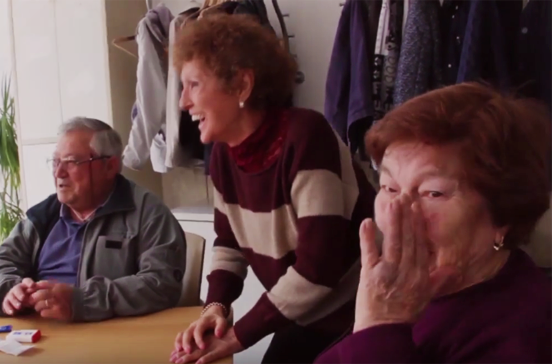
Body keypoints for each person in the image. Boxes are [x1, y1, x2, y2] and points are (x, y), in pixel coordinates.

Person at [169, 14, 376, 364]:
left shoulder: (305, 136)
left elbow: (317, 269)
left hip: (358, 313)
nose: (182, 103)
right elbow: (230, 242)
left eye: (194, 85)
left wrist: (238, 337)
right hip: (306, 314)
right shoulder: (224, 153)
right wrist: (215, 307)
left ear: (242, 86)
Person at [316, 83, 552, 363]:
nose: (396, 214)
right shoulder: (413, 288)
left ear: (503, 215)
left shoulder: (524, 333)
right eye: (389, 187)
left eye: (433, 193)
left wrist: (382, 324)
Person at [0, 117, 187, 322]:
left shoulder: (148, 213)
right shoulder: (43, 216)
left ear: (109, 166)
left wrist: (81, 302)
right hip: (40, 332)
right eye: (56, 162)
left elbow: (161, 283)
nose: (59, 173)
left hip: (109, 338)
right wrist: (8, 291)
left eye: (71, 162)